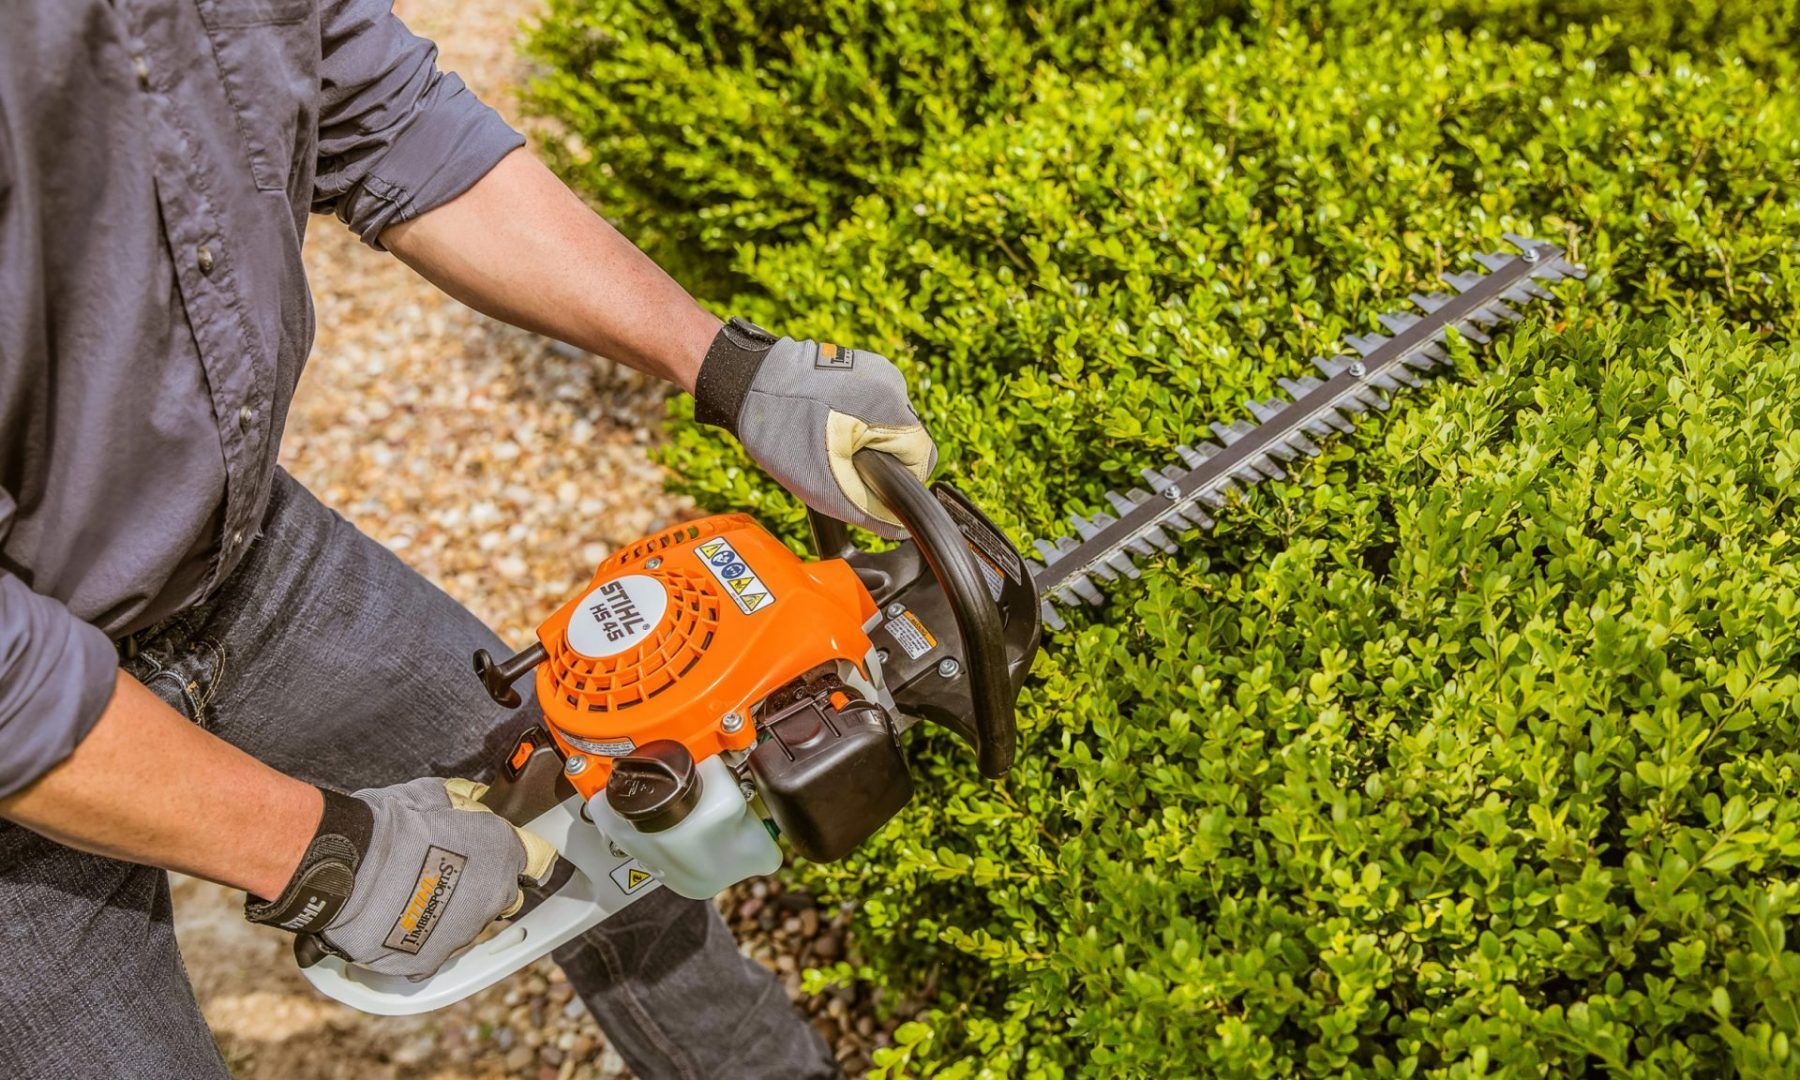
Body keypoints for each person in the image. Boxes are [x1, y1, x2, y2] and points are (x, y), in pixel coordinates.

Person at [0, 2, 937, 1077]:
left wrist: (722, 365)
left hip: (238, 563)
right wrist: (320, 851)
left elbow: (384, 115)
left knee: (626, 841)